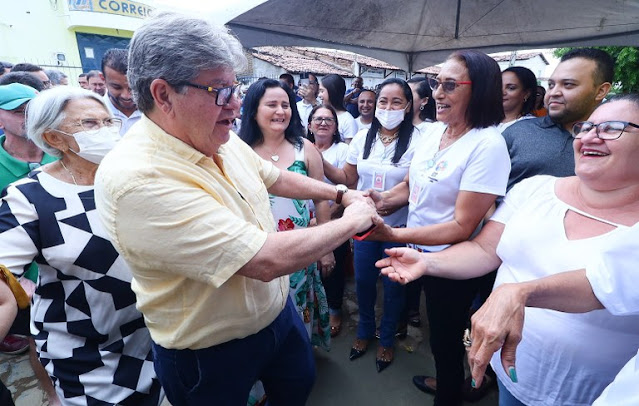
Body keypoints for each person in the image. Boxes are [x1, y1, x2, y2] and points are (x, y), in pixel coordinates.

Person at [94, 12, 378, 406]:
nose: (237, 104)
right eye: (220, 91)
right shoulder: (137, 179)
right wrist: (354, 221)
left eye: (236, 88)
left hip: (278, 316)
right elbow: (262, 259)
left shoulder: (216, 136)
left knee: (297, 387)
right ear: (163, 95)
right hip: (209, 352)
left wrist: (342, 194)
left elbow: (274, 176)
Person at [377, 94, 639, 406]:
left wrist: (520, 292)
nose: (589, 136)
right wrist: (426, 262)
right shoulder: (536, 189)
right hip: (511, 373)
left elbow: (604, 285)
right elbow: (485, 249)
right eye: (585, 128)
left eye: (612, 128)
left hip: (588, 391)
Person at [0, 86, 163, 405]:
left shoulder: (135, 178)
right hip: (85, 353)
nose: (103, 131)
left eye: (107, 121)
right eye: (89, 124)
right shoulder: (29, 197)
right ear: (53, 139)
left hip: (154, 335)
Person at [369, 50, 510, 405]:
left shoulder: (487, 145)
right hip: (418, 252)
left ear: (480, 91)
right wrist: (382, 200)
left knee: (446, 338)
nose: (437, 94)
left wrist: (394, 234)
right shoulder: (432, 132)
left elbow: (463, 225)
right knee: (438, 333)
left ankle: (449, 395)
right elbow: (412, 187)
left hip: (452, 262)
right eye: (436, 83)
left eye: (450, 85)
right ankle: (448, 380)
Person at [323, 78, 419, 373]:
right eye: (383, 102)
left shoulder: (420, 141)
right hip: (364, 224)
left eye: (396, 102)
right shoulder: (364, 136)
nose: (387, 108)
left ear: (408, 106)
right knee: (364, 283)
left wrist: (392, 202)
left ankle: (387, 338)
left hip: (398, 228)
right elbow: (349, 179)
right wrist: (317, 158)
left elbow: (415, 186)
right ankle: (364, 332)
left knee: (393, 287)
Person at [239, 78, 333, 350]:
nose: (281, 111)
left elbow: (321, 198)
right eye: (271, 105)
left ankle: (297, 358)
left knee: (298, 306)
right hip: (257, 251)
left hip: (300, 249)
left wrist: (324, 248)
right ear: (253, 110)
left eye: (286, 104)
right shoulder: (239, 150)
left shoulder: (306, 147)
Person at [502, 48, 613, 192]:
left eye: (568, 84)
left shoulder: (615, 140)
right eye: (551, 85)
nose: (553, 93)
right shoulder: (517, 132)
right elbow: (482, 193)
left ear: (601, 91)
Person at [306, 104, 350, 337]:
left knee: (332, 268)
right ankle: (309, 308)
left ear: (335, 127)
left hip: (334, 218)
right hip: (303, 220)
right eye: (318, 119)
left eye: (328, 120)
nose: (323, 123)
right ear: (310, 124)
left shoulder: (342, 150)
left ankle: (334, 308)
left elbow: (348, 187)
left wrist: (328, 216)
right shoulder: (299, 147)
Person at [101, 48, 141, 135]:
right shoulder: (94, 113)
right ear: (103, 80)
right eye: (117, 87)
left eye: (132, 88)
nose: (126, 96)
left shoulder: (154, 112)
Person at [319, 74, 358, 143]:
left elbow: (350, 149)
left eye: (322, 91)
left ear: (332, 92)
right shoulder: (319, 114)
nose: (319, 95)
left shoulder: (347, 120)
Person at [498, 66, 537, 132]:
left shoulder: (532, 127)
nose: (502, 92)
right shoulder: (485, 121)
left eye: (511, 88)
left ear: (526, 94)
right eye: (498, 86)